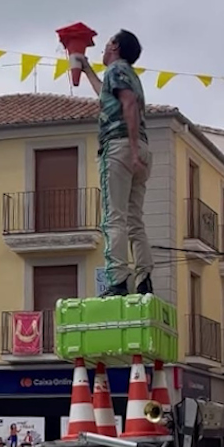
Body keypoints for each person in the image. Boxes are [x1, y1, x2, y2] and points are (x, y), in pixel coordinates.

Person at [73, 30, 153, 297]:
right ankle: (144, 279)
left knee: (113, 217)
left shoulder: (115, 70)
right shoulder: (129, 75)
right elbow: (106, 96)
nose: (103, 48)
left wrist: (131, 150)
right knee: (135, 220)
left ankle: (118, 280)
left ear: (115, 46)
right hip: (141, 148)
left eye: (107, 43)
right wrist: (87, 70)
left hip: (119, 146)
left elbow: (127, 104)